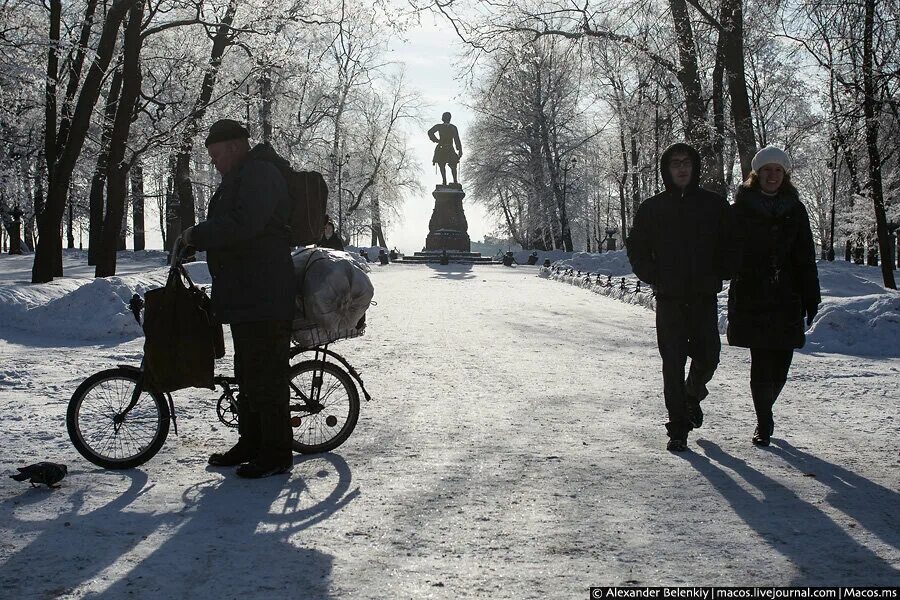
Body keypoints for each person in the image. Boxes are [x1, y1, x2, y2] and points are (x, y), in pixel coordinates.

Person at [182, 119, 295, 478]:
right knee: (248, 373)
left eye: (216, 154)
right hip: (250, 293)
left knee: (267, 375)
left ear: (234, 146)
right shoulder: (244, 175)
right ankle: (251, 442)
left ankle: (277, 453)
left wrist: (197, 235)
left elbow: (245, 224)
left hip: (265, 292)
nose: (214, 162)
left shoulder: (260, 174)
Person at [627, 143, 738, 452]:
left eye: (686, 162)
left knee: (709, 356)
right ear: (667, 169)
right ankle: (677, 428)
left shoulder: (714, 205)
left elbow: (732, 243)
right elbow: (636, 248)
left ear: (695, 166)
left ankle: (692, 395)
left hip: (703, 297)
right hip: (670, 299)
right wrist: (655, 276)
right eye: (675, 163)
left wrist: (721, 272)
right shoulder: (652, 208)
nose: (681, 168)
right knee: (672, 364)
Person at [727, 146, 821, 447]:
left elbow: (805, 254)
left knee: (782, 361)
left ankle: (766, 409)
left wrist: (811, 295)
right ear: (757, 173)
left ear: (785, 175)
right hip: (753, 294)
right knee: (761, 359)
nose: (772, 175)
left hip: (787, 295)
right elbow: (728, 249)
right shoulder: (740, 207)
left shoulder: (795, 208)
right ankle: (763, 421)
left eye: (778, 170)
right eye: (767, 170)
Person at [427, 112, 463, 186]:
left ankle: (454, 181)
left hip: (449, 148)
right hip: (442, 147)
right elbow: (430, 132)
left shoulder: (453, 127)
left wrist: (459, 149)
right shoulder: (440, 126)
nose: (447, 119)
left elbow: (457, 139)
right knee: (442, 164)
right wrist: (436, 140)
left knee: (453, 164)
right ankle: (444, 181)